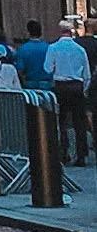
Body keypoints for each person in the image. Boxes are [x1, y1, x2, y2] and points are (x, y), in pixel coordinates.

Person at [44, 19, 92, 166]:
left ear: (60, 31)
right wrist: (83, 88)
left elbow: (47, 68)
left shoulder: (53, 48)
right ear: (72, 32)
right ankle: (81, 154)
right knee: (79, 122)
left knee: (62, 121)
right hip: (76, 86)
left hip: (61, 86)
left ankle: (64, 152)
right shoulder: (79, 49)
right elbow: (87, 74)